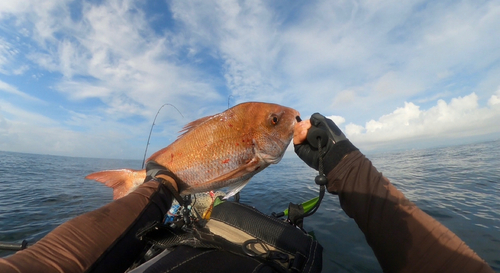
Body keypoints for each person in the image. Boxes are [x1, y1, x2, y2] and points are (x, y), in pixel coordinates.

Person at [0, 114, 494, 273]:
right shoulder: (249, 146)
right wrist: (345, 167)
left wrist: (161, 184)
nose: (286, 121)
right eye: (275, 121)